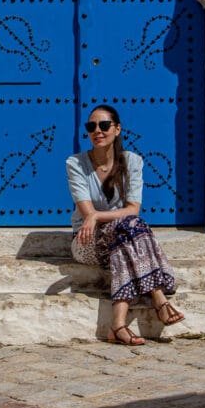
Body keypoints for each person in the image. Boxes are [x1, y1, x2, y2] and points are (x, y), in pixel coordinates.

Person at [65, 104, 184, 346]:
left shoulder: (132, 162)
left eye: (104, 125)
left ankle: (117, 325)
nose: (97, 130)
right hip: (87, 241)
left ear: (117, 129)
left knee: (129, 227)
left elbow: (133, 209)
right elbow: (88, 213)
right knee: (131, 227)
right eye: (91, 127)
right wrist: (95, 217)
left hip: (121, 238)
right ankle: (158, 298)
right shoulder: (75, 163)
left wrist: (98, 216)